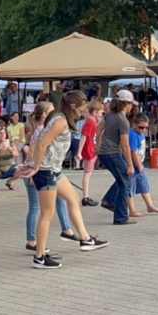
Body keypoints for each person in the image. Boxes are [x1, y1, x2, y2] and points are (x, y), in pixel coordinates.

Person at [19, 90, 109, 269]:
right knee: (47, 214)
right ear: (73, 106)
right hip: (46, 171)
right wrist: (35, 166)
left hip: (54, 169)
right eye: (82, 108)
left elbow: (39, 142)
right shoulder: (60, 121)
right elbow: (41, 142)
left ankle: (85, 239)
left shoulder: (59, 117)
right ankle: (39, 257)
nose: (84, 111)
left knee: (73, 197)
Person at [23, 101, 79, 252]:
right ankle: (33, 243)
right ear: (44, 115)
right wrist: (35, 167)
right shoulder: (44, 129)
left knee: (63, 200)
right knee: (39, 210)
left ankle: (67, 230)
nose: (56, 113)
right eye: (51, 110)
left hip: (47, 170)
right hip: (40, 172)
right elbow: (36, 149)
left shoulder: (47, 127)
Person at [96, 90, 138, 225]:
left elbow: (99, 128)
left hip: (104, 153)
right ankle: (120, 216)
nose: (132, 107)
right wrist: (131, 165)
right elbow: (125, 146)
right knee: (126, 181)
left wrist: (98, 145)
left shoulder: (109, 115)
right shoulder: (123, 120)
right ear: (126, 104)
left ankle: (110, 200)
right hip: (112, 153)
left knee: (122, 180)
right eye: (131, 104)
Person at [129, 113, 158, 214]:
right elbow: (133, 151)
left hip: (140, 163)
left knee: (144, 185)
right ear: (134, 125)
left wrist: (140, 165)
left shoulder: (141, 134)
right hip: (133, 164)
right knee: (130, 188)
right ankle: (132, 209)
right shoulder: (132, 135)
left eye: (145, 128)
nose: (143, 130)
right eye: (141, 127)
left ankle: (149, 205)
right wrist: (138, 165)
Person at [75, 100, 104, 206]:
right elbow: (83, 137)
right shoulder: (90, 122)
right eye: (100, 112)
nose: (101, 114)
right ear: (95, 112)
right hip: (89, 150)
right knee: (87, 174)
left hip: (91, 149)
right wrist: (79, 152)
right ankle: (85, 197)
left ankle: (86, 196)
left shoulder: (91, 122)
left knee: (88, 173)